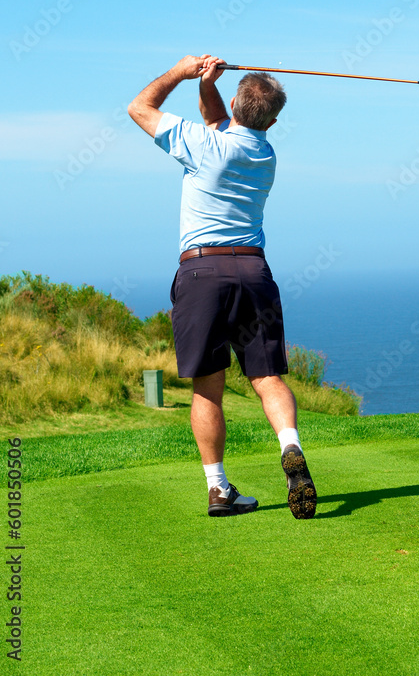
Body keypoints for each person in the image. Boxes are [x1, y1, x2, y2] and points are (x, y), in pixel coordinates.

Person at [128, 54, 317, 520]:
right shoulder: (264, 153)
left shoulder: (201, 144)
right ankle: (289, 448)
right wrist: (208, 83)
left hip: (201, 274)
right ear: (272, 121)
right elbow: (219, 121)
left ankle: (218, 489)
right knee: (267, 377)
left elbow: (139, 107)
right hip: (253, 272)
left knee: (207, 388)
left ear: (236, 101)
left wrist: (181, 71)